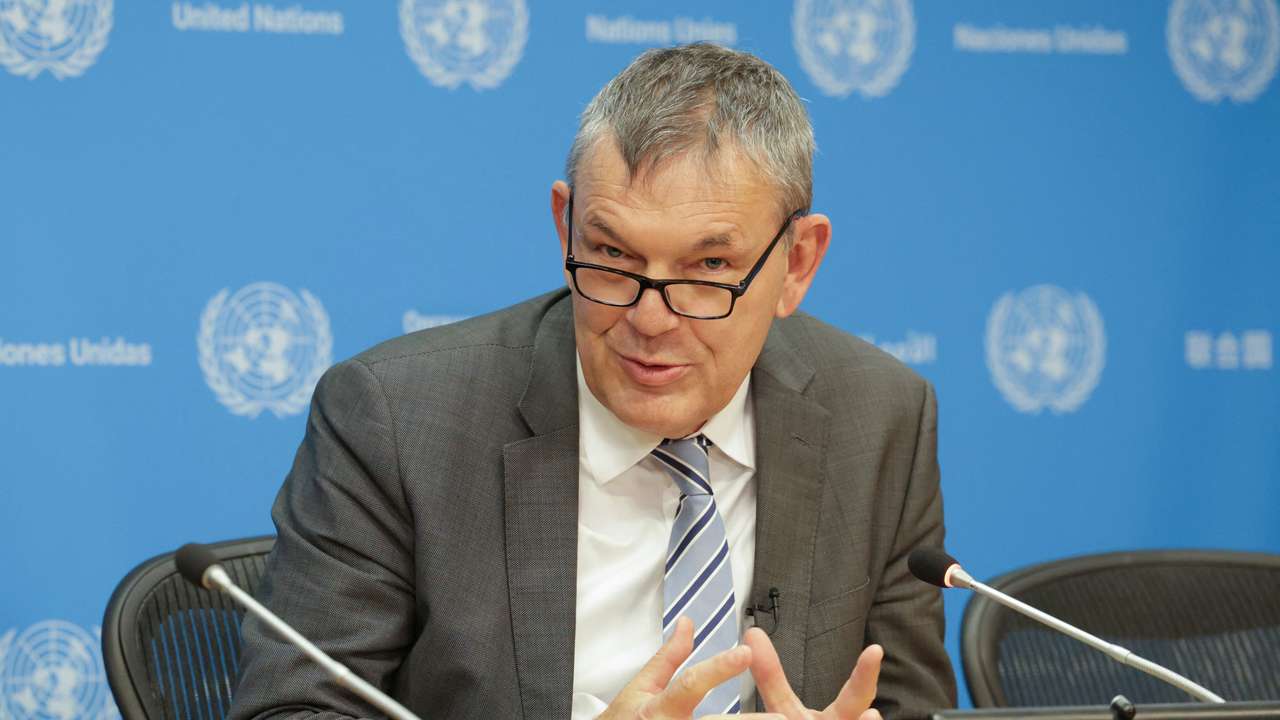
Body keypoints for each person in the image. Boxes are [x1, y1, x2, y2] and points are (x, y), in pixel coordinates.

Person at [229, 43, 955, 720]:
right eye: (611, 255)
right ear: (563, 225)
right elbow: (294, 709)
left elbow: (906, 703)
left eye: (708, 271)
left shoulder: (880, 417)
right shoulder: (396, 421)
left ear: (797, 262)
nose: (649, 318)